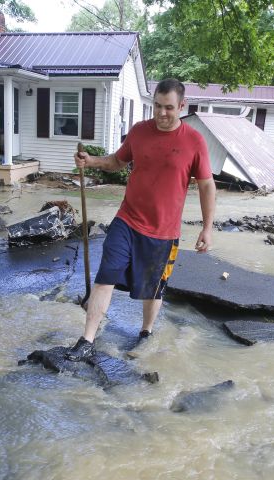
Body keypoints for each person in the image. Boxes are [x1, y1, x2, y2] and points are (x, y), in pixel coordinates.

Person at [67, 78, 216, 362]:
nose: (161, 113)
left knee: (153, 289)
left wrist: (207, 228)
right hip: (127, 220)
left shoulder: (194, 141)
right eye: (157, 106)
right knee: (105, 276)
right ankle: (86, 339)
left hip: (163, 231)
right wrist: (92, 161)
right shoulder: (139, 132)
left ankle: (146, 332)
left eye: (168, 108)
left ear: (182, 106)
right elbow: (117, 162)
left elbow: (207, 186)